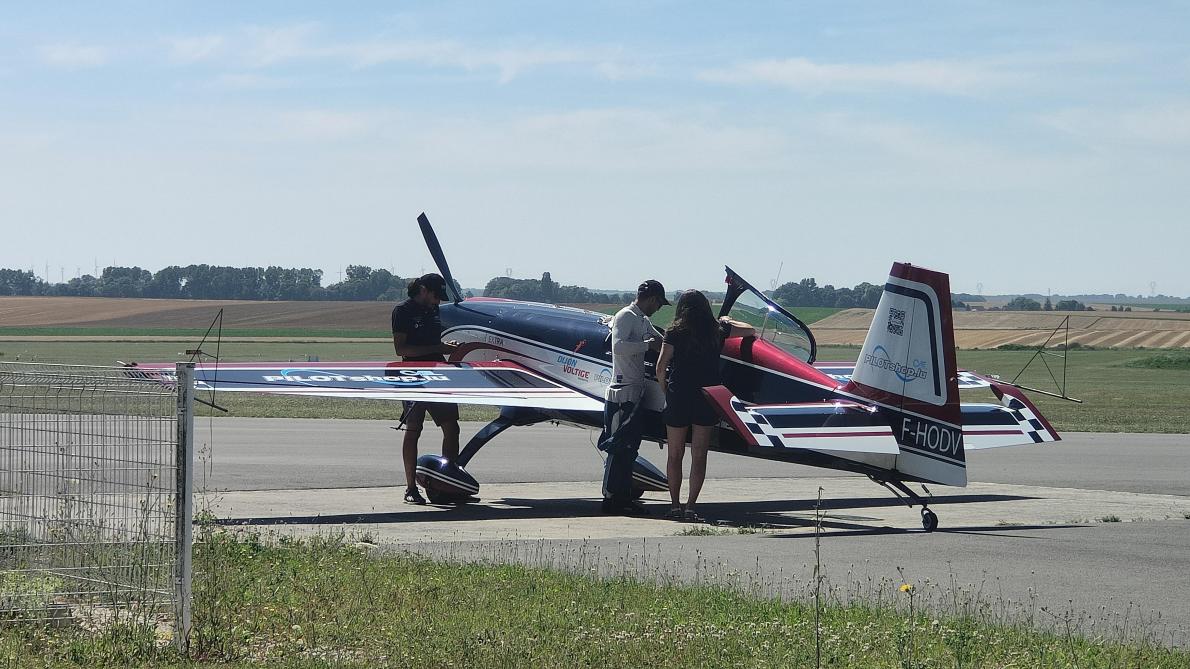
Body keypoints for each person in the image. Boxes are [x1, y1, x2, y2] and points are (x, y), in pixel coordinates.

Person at [655, 290, 753, 521]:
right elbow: (750, 330)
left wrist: (664, 388)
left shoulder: (674, 331)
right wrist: (728, 320)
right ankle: (691, 506)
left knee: (674, 454)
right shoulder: (718, 329)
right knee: (699, 455)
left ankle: (675, 505)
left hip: (679, 394)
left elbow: (661, 367)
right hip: (707, 396)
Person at [598, 279, 669, 515]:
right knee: (617, 447)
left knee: (630, 448)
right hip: (621, 393)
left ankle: (623, 495)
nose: (658, 309)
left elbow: (658, 342)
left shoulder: (642, 320)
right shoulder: (625, 316)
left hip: (635, 393)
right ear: (651, 299)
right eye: (659, 304)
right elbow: (618, 347)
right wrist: (646, 345)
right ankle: (610, 499)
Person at [391, 273, 460, 505]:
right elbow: (402, 350)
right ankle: (411, 488)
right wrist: (438, 347)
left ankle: (448, 485)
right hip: (412, 375)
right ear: (422, 290)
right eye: (434, 296)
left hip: (438, 374)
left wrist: (446, 350)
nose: (437, 301)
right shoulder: (402, 311)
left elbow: (434, 342)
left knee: (452, 427)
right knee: (413, 428)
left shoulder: (434, 310)